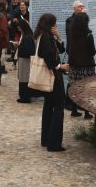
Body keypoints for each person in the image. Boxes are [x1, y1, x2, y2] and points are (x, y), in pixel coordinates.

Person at [35, 13, 69, 152]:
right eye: (54, 23)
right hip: (53, 76)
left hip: (52, 76)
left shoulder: (46, 35)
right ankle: (54, 143)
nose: (55, 26)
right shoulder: (45, 37)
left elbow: (61, 50)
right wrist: (60, 67)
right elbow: (48, 56)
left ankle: (46, 139)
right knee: (58, 107)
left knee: (48, 106)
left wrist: (58, 37)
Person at [67, 11, 96, 119]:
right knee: (86, 89)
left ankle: (74, 110)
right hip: (87, 66)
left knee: (74, 88)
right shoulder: (88, 35)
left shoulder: (71, 34)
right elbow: (92, 52)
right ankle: (87, 112)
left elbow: (69, 49)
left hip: (74, 65)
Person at [15, 18, 36, 103]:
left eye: (19, 27)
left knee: (24, 78)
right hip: (24, 60)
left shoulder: (28, 37)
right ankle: (24, 95)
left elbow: (29, 50)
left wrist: (19, 46)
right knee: (24, 78)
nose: (18, 29)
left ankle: (25, 97)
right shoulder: (27, 35)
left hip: (25, 60)